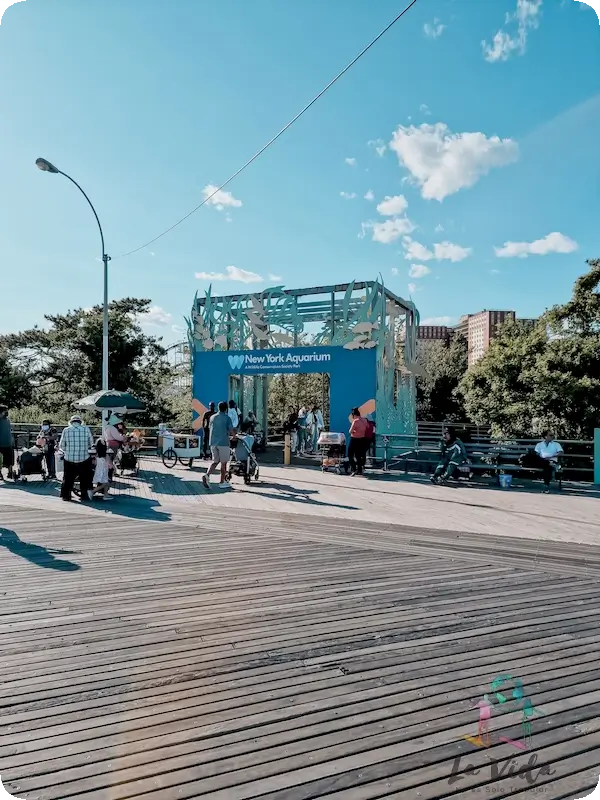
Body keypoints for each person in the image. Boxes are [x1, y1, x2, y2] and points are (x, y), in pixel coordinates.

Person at [59, 415, 94, 502]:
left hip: (69, 458)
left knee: (67, 478)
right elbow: (91, 443)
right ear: (80, 422)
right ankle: (84, 495)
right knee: (85, 478)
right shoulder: (86, 429)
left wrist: (68, 450)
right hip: (84, 458)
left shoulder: (66, 430)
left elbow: (62, 445)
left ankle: (66, 496)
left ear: (71, 422)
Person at [203, 401, 233, 490]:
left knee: (215, 461)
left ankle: (207, 475)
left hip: (213, 442)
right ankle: (222, 482)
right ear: (226, 409)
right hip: (223, 442)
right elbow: (231, 430)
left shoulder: (212, 417)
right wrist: (234, 436)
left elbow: (208, 427)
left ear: (218, 408)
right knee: (224, 463)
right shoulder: (227, 418)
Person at [348, 407, 369, 476]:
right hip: (362, 439)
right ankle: (360, 470)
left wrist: (354, 431)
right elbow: (367, 427)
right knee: (358, 455)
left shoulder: (355, 421)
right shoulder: (364, 420)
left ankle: (354, 469)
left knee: (350, 455)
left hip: (354, 439)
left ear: (353, 415)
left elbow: (350, 431)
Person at [104, 414, 125, 480]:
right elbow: (117, 437)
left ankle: (112, 473)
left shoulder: (107, 427)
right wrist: (123, 437)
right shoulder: (112, 428)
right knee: (111, 459)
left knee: (110, 459)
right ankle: (111, 474)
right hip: (113, 445)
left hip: (109, 443)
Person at [0, 405, 14, 481]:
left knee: (9, 458)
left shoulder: (7, 420)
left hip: (8, 442)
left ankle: (10, 472)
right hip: (2, 443)